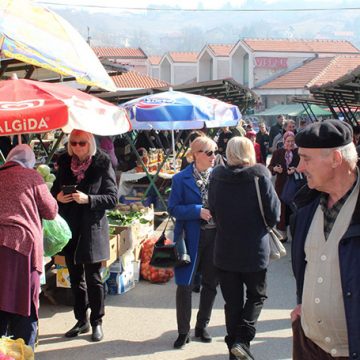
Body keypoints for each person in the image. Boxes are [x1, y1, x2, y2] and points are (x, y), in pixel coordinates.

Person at [290, 119, 360, 360]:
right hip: (308, 344)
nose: (299, 167)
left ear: (335, 159)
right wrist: (303, 305)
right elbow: (308, 265)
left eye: (306, 158)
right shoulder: (306, 206)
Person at [208, 136, 280, 360]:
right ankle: (242, 339)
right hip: (253, 249)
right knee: (257, 295)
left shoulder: (216, 178)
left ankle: (235, 350)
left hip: (225, 248)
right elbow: (274, 215)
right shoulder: (259, 178)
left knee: (232, 302)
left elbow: (213, 211)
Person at [51, 129, 118, 342]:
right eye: (74, 143)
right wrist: (58, 197)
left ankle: (97, 321)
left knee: (94, 278)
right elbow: (53, 190)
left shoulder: (102, 162)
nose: (78, 147)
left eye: (82, 143)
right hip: (69, 229)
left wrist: (88, 199)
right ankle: (81, 320)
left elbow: (112, 198)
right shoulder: (64, 161)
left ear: (90, 143)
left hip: (92, 228)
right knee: (75, 279)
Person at [0, 145, 58, 348]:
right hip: (23, 248)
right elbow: (51, 211)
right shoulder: (33, 177)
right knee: (25, 305)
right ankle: (23, 350)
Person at [168, 136, 219, 349]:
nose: (213, 157)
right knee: (185, 285)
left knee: (210, 283)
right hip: (189, 237)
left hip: (215, 236)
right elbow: (173, 208)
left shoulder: (218, 176)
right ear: (196, 154)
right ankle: (183, 331)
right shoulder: (180, 178)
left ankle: (202, 326)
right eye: (209, 153)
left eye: (215, 152)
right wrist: (197, 211)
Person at [268, 131, 301, 239]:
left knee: (293, 208)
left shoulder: (299, 152)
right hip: (281, 185)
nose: (290, 144)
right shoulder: (278, 153)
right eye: (288, 141)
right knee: (282, 209)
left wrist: (296, 169)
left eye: (292, 141)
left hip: (295, 185)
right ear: (284, 141)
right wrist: (275, 169)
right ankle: (283, 233)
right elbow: (270, 167)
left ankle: (295, 231)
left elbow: (305, 167)